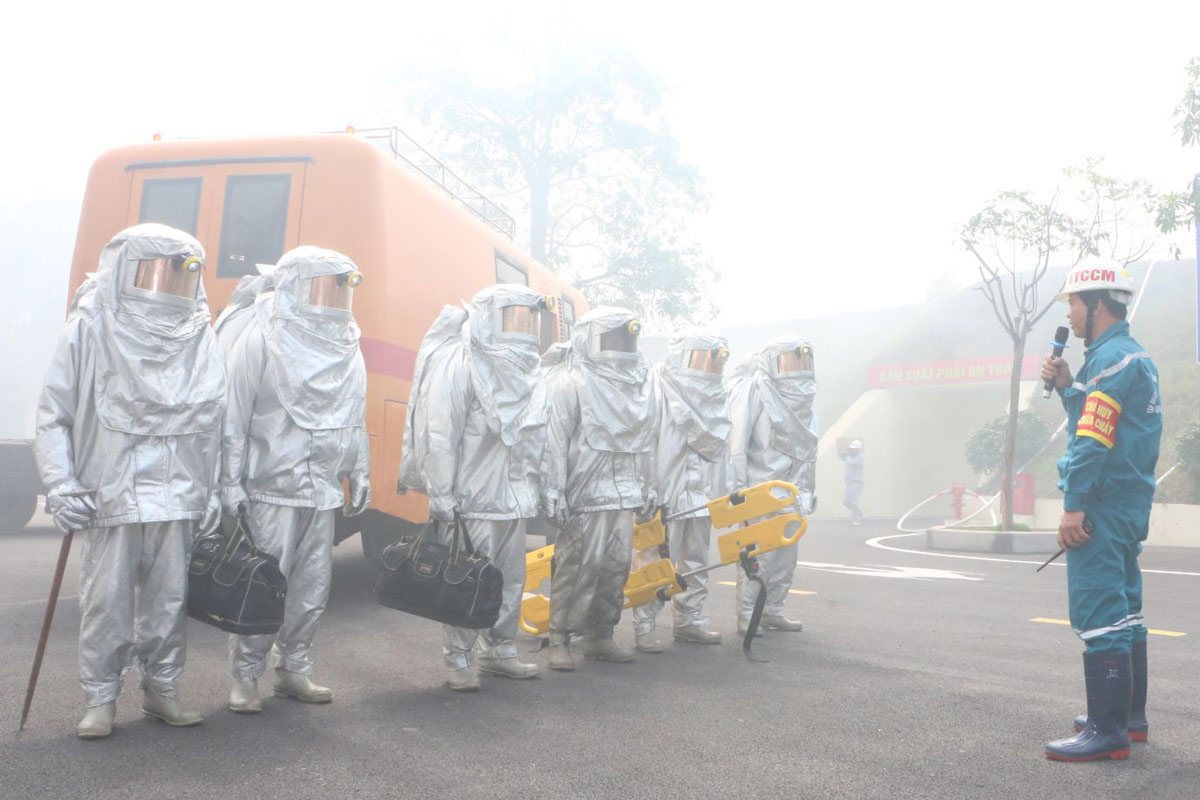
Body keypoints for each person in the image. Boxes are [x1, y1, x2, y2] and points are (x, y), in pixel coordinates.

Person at [34, 224, 225, 738]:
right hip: (110, 488)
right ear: (125, 270)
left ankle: (163, 690)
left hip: (179, 489)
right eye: (155, 272)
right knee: (107, 599)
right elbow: (54, 412)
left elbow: (215, 418)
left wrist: (215, 486)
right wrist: (61, 481)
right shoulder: (90, 328)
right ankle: (100, 698)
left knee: (169, 601)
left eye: (181, 274)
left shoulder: (200, 335)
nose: (167, 287)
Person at [219, 246, 371, 713]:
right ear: (292, 286)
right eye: (322, 287)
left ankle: (295, 668)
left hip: (321, 490)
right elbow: (233, 416)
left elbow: (353, 414)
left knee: (312, 588)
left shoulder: (346, 347)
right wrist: (229, 483)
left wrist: (358, 468)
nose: (331, 300)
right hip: (271, 487)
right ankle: (245, 676)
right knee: (264, 584)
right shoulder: (262, 339)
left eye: (340, 289)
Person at [397, 284, 551, 691]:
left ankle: (500, 651)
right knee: (466, 581)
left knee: (511, 580)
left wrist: (541, 486)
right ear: (488, 317)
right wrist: (442, 494)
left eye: (529, 319)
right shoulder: (461, 364)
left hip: (513, 499)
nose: (523, 329)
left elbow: (538, 440)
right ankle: (459, 658)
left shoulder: (530, 373)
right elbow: (440, 434)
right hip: (472, 500)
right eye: (514, 317)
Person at [1040, 263, 1161, 762]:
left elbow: (1091, 439)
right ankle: (1128, 719)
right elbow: (1097, 418)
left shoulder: (1109, 361)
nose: (1069, 312)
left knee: (1098, 611)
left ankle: (1106, 732)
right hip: (1129, 504)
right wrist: (1071, 386)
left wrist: (1073, 506)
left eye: (1073, 302)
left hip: (1103, 506)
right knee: (1127, 610)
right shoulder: (1130, 358)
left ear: (1098, 304)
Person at [541, 307, 658, 671]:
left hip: (622, 493)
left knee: (616, 566)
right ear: (589, 338)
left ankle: (600, 635)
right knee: (578, 566)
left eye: (626, 339)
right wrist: (554, 490)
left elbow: (645, 440)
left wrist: (647, 485)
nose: (620, 347)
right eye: (612, 339)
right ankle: (559, 637)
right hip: (585, 491)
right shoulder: (570, 381)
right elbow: (555, 441)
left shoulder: (637, 385)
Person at [632, 329, 732, 652]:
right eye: (702, 360)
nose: (708, 369)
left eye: (715, 362)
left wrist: (722, 493)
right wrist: (648, 488)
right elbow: (647, 444)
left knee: (697, 559)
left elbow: (724, 453)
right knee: (655, 559)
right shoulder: (659, 391)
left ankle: (689, 618)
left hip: (700, 495)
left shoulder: (718, 398)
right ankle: (644, 624)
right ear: (682, 358)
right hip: (667, 493)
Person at [728, 337, 818, 636]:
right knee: (758, 556)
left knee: (786, 557)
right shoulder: (755, 391)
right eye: (789, 362)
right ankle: (746, 616)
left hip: (792, 492)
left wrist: (808, 490)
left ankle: (773, 610)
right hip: (761, 489)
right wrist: (738, 491)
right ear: (770, 364)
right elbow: (738, 442)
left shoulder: (806, 399)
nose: (797, 370)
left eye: (803, 362)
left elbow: (809, 449)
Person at [840, 440, 865, 525]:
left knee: (853, 501)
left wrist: (845, 453)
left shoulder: (860, 457)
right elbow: (842, 457)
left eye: (855, 449)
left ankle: (856, 519)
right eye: (851, 449)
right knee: (846, 502)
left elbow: (850, 462)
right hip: (848, 483)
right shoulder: (850, 456)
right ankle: (858, 512)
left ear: (858, 450)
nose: (853, 450)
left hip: (857, 483)